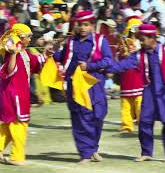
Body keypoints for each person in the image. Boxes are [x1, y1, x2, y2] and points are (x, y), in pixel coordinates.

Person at [106, 24, 165, 162]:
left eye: (142, 40)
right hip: (148, 92)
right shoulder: (138, 55)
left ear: (152, 38)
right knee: (144, 122)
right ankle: (146, 152)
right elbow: (122, 65)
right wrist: (104, 67)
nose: (140, 43)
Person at [50, 10, 113, 164]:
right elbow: (60, 58)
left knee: (98, 116)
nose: (82, 28)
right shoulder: (70, 42)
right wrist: (55, 48)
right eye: (79, 25)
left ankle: (93, 148)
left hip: (95, 85)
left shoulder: (100, 40)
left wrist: (89, 66)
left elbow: (108, 61)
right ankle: (85, 153)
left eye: (86, 25)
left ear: (92, 25)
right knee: (80, 119)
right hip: (76, 86)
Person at [0, 24, 46, 166]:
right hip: (14, 95)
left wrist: (49, 53)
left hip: (19, 94)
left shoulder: (24, 52)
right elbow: (9, 70)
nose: (31, 38)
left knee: (10, 125)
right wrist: (13, 53)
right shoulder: (13, 52)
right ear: (20, 37)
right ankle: (16, 156)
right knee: (20, 125)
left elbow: (36, 63)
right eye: (29, 36)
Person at [117, 18, 143, 134]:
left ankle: (143, 123)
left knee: (139, 101)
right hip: (126, 75)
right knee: (126, 103)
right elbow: (118, 58)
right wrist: (123, 53)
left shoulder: (141, 42)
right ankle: (127, 126)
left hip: (138, 75)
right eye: (136, 29)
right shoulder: (123, 42)